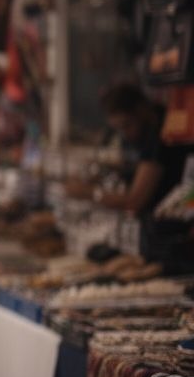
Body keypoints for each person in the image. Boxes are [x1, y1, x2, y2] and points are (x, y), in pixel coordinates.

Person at [67, 82, 194, 270]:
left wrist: (90, 193)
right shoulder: (155, 128)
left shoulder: (160, 136)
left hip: (172, 242)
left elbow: (134, 200)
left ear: (141, 110)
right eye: (119, 128)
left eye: (127, 125)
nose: (126, 134)